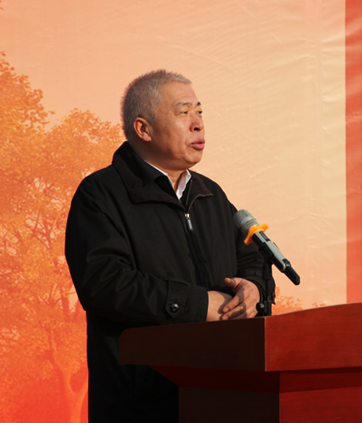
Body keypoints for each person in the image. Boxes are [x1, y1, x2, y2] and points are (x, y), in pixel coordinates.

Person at [65, 70, 268, 422]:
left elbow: (252, 259)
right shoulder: (100, 194)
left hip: (220, 396)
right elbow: (105, 284)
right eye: (183, 112)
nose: (197, 123)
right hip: (141, 404)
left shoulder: (210, 194)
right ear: (143, 129)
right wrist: (199, 305)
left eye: (199, 111)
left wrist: (255, 289)